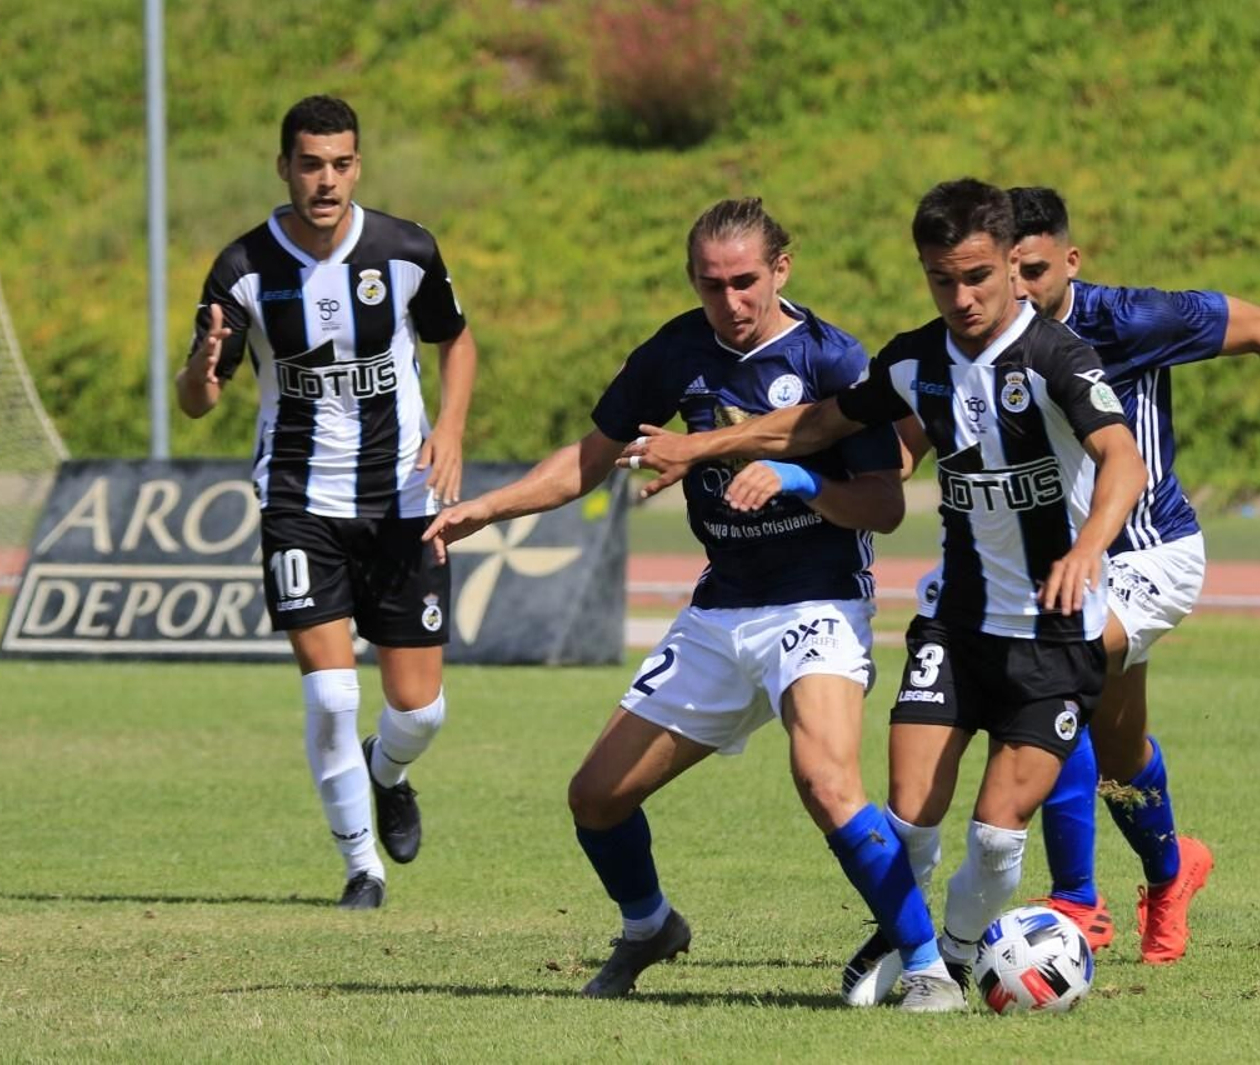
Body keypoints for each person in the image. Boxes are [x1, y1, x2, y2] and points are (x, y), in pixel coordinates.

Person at [421, 198, 964, 1010]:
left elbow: (883, 504)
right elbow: (591, 459)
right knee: (596, 798)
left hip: (815, 605)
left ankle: (926, 966)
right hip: (719, 609)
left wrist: (800, 479)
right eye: (713, 285)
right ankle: (649, 927)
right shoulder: (677, 351)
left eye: (746, 281)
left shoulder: (833, 359)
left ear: (782, 268)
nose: (732, 302)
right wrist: (486, 509)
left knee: (824, 780)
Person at [623, 179, 1148, 1001]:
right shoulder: (915, 360)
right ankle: (918, 961)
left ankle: (958, 951)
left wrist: (1087, 546)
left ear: (1015, 265)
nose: (963, 296)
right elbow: (822, 422)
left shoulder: (1057, 359)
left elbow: (1124, 457)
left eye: (978, 276)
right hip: (956, 625)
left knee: (996, 841)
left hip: (1053, 634)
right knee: (906, 820)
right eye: (943, 279)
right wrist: (705, 448)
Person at [1009, 185, 1260, 963]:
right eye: (1007, 272)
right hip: (1066, 565)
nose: (1020, 290)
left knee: (1057, 668)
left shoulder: (1128, 319)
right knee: (1117, 747)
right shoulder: (983, 335)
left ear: (1069, 261)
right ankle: (1173, 874)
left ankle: (1077, 900)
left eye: (1035, 270)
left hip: (1150, 553)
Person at [176, 95, 478, 909]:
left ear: (357, 165)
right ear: (284, 167)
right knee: (333, 692)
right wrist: (202, 367)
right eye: (311, 163)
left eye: (342, 163)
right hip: (298, 498)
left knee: (420, 712)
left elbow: (455, 339)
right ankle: (360, 867)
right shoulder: (243, 269)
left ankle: (390, 770)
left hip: (406, 501)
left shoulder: (404, 250)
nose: (327, 180)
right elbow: (198, 401)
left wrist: (449, 428)